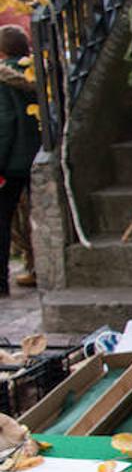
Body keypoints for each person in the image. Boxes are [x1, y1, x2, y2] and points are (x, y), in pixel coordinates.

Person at [0, 26, 41, 296]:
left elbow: (5, 122)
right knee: (39, 220)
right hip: (39, 158)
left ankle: (0, 282)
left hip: (12, 162)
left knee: (3, 221)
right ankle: (39, 272)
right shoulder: (37, 74)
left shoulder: (2, 78)